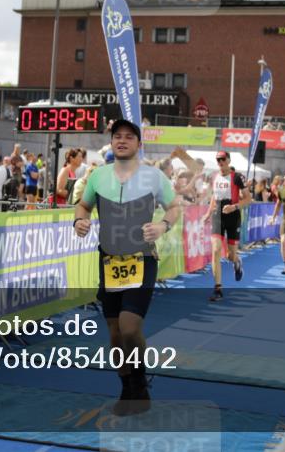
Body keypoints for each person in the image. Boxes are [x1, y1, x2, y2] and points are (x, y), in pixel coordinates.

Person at [74, 119, 180, 416]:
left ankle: (140, 384)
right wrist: (79, 220)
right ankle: (127, 389)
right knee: (114, 332)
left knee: (129, 327)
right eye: (117, 136)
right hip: (109, 260)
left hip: (141, 259)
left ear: (138, 144)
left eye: (129, 137)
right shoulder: (98, 176)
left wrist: (162, 226)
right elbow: (83, 205)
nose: (122, 140)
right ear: (111, 142)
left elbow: (174, 207)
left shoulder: (154, 177)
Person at [203, 151, 251, 301]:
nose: (220, 162)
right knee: (216, 250)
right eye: (218, 159)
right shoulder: (214, 176)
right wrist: (208, 213)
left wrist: (234, 207)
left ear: (229, 160)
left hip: (233, 216)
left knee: (230, 256)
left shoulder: (237, 177)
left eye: (223, 159)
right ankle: (218, 289)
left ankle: (237, 261)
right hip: (218, 216)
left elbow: (248, 199)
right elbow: (214, 196)